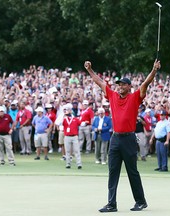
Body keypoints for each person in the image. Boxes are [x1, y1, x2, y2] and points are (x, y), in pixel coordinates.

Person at [84, 59, 161, 212]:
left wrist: (154, 70)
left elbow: (145, 83)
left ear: (129, 87)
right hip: (115, 138)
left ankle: (140, 201)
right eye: (118, 85)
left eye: (123, 85)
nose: (120, 87)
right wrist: (89, 70)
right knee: (113, 171)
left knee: (132, 171)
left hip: (129, 139)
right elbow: (99, 82)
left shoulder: (135, 97)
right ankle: (111, 204)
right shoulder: (112, 96)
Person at [62, 103, 82, 169]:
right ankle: (68, 163)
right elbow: (58, 122)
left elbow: (81, 123)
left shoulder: (75, 119)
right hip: (67, 136)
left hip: (74, 136)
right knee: (67, 151)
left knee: (77, 150)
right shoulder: (64, 119)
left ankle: (79, 164)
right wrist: (63, 114)